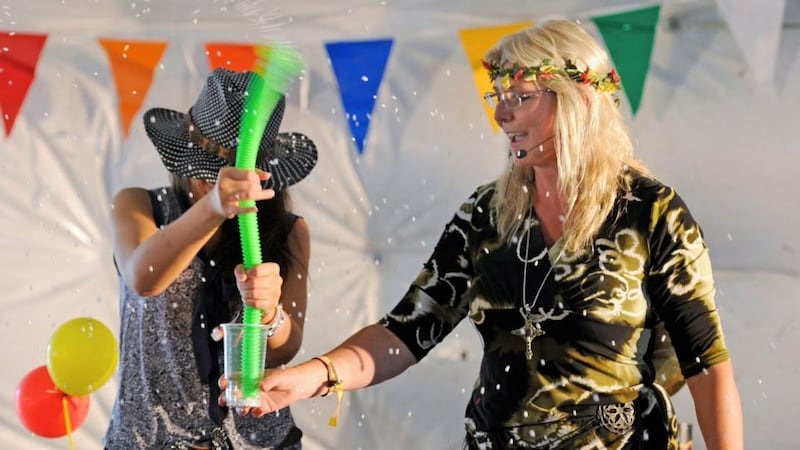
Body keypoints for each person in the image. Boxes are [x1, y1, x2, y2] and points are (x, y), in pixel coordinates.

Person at [220, 20, 743, 449]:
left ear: (577, 101)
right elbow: (406, 331)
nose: (501, 112)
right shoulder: (485, 215)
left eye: (522, 96)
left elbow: (708, 369)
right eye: (499, 94)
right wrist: (311, 376)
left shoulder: (651, 213)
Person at [104, 68, 318, 449]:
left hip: (259, 440)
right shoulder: (139, 206)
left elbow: (286, 348)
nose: (214, 180)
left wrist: (272, 315)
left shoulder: (288, 231)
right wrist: (215, 208)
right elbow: (144, 277)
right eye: (209, 170)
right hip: (148, 440)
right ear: (185, 158)